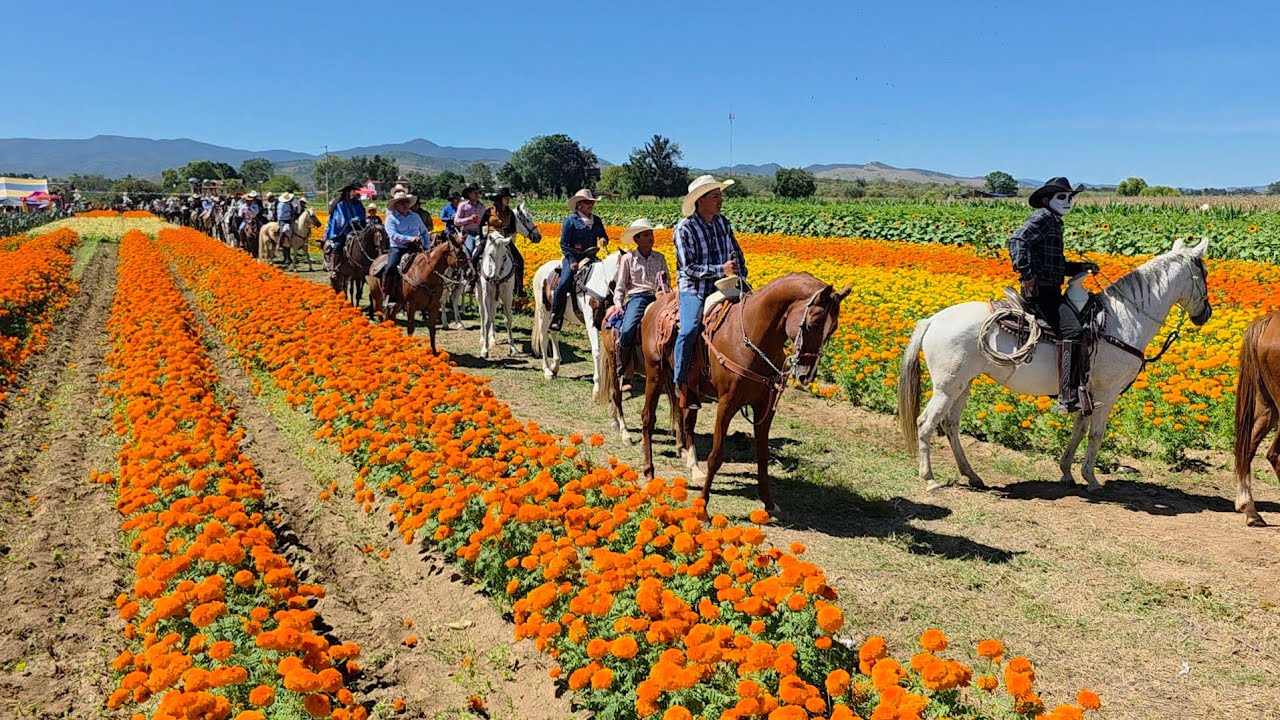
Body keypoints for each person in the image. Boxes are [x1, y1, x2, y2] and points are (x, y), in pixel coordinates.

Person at [1008, 176, 1099, 413]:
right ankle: (1067, 396)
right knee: (1073, 330)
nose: (1068, 201)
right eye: (1062, 197)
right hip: (1042, 294)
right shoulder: (1044, 218)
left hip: (1049, 289)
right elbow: (1017, 241)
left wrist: (1079, 267)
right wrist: (1027, 276)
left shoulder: (1054, 221)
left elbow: (1054, 264)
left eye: (1070, 198)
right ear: (1047, 200)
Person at [671, 175, 749, 410]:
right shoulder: (684, 229)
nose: (720, 200)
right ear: (700, 200)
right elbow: (688, 268)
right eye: (715, 196)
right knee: (689, 329)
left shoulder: (723, 223)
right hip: (695, 287)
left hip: (727, 284)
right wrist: (720, 270)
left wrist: (740, 273)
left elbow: (737, 252)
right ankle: (681, 382)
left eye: (720, 195)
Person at [606, 218, 669, 391]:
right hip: (638, 297)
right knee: (627, 329)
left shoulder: (660, 258)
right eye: (646, 235)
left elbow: (667, 282)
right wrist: (618, 304)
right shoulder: (628, 259)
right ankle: (625, 370)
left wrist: (664, 292)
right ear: (636, 239)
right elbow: (620, 286)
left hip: (660, 298)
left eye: (651, 234)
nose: (651, 238)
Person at [550, 189, 609, 332]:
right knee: (563, 283)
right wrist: (571, 260)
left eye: (592, 202)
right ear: (579, 205)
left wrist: (603, 239)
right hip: (573, 257)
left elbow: (603, 235)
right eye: (587, 203)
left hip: (591, 256)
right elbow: (564, 244)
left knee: (606, 280)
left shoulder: (597, 220)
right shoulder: (570, 221)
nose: (591, 205)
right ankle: (556, 316)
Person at [383, 190, 430, 313]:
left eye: (406, 202)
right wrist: (410, 238)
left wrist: (427, 246)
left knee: (428, 267)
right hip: (398, 247)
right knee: (391, 267)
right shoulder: (391, 219)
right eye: (401, 203)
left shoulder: (415, 216)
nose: (405, 205)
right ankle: (389, 293)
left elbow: (424, 232)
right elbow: (393, 235)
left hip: (416, 247)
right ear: (396, 205)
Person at [477, 187, 526, 296]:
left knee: (520, 260)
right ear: (500, 199)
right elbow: (480, 225)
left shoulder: (510, 213)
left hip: (504, 239)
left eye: (509, 198)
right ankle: (472, 281)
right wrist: (481, 238)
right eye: (506, 198)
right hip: (491, 238)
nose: (508, 200)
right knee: (475, 256)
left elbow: (513, 229)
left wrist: (506, 230)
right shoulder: (489, 211)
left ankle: (519, 288)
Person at [323, 184, 367, 272]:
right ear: (347, 192)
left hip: (357, 227)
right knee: (338, 244)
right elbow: (339, 218)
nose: (355, 193)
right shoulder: (340, 204)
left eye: (355, 191)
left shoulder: (358, 203)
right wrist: (350, 221)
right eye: (353, 191)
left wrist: (358, 218)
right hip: (342, 230)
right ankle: (333, 267)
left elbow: (362, 213)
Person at [455, 184, 486, 261]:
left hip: (480, 234)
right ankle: (468, 270)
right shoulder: (462, 205)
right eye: (475, 193)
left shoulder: (482, 207)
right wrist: (469, 219)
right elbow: (456, 222)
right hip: (468, 234)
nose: (477, 195)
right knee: (469, 251)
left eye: (478, 193)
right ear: (469, 194)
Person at [276, 192, 297, 258]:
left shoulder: (289, 204)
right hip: (283, 220)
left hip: (289, 219)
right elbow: (280, 215)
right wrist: (289, 214)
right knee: (283, 230)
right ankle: (279, 244)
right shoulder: (281, 205)